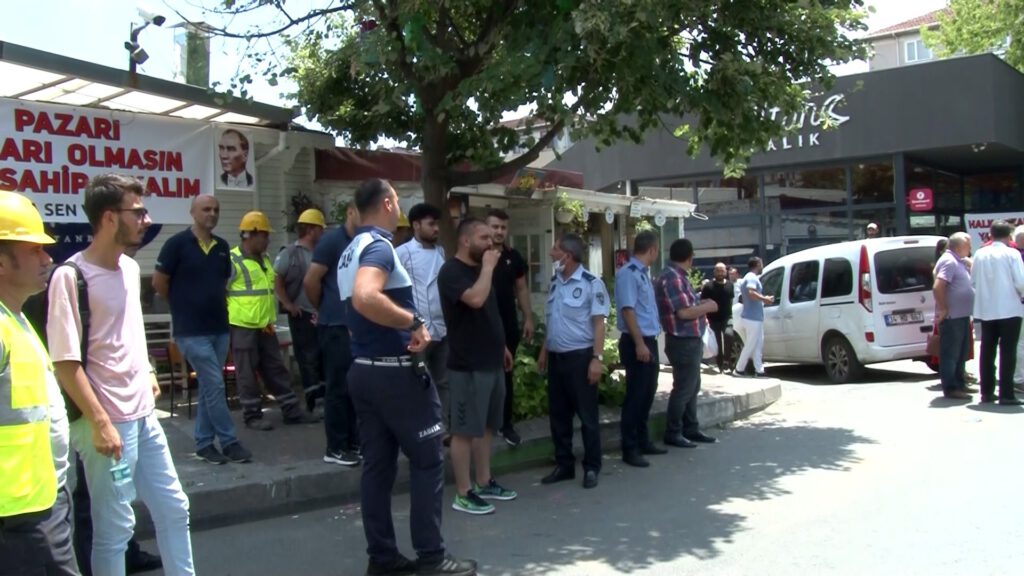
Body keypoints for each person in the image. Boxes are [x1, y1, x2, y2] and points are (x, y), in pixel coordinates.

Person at [48, 174, 194, 576]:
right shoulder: (70, 277)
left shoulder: (130, 268)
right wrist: (99, 423)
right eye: (138, 211)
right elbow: (64, 362)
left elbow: (128, 332)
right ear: (110, 218)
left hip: (144, 417)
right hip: (107, 424)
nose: (146, 219)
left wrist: (146, 366)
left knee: (174, 506)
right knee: (115, 529)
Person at [338, 178, 476, 576]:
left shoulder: (349, 251)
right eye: (397, 201)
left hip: (364, 370)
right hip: (396, 375)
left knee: (377, 469)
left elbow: (351, 313)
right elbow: (366, 298)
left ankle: (382, 559)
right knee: (429, 460)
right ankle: (432, 558)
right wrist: (413, 321)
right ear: (386, 203)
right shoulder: (379, 246)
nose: (399, 207)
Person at [0, 191, 79, 575]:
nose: (48, 258)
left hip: (37, 502)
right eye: (34, 249)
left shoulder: (15, 317)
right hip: (17, 517)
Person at [153, 195, 252, 465]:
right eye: (206, 209)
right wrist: (181, 306)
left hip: (219, 328)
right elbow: (160, 282)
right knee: (214, 384)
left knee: (211, 387)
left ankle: (204, 444)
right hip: (191, 330)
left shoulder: (221, 247)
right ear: (193, 212)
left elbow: (221, 283)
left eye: (216, 210)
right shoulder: (176, 244)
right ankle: (229, 441)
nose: (212, 213)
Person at [438, 218, 517, 515]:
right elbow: (474, 299)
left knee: (487, 426)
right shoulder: (452, 272)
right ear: (466, 241)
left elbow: (490, 310)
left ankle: (484, 481)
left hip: (491, 359)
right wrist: (487, 269)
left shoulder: (481, 270)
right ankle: (463, 491)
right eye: (484, 237)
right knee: (464, 430)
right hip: (467, 364)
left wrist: (502, 346)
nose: (491, 242)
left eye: (491, 237)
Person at [228, 211, 319, 430]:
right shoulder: (233, 260)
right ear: (251, 235)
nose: (268, 240)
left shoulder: (266, 259)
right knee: (247, 373)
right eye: (265, 236)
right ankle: (252, 415)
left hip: (265, 325)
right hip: (243, 327)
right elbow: (218, 294)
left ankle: (291, 411)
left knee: (276, 368)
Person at [538, 234, 609, 490]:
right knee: (559, 416)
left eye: (555, 250)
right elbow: (554, 319)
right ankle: (564, 465)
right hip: (557, 358)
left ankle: (591, 467)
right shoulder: (556, 281)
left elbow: (599, 324)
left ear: (567, 256)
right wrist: (545, 349)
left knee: (587, 417)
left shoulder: (592, 283)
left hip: (581, 358)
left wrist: (596, 359)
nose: (550, 253)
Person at [303, 203, 361, 467]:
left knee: (355, 387)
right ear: (351, 211)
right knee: (337, 387)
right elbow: (311, 281)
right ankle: (335, 447)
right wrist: (326, 309)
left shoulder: (364, 241)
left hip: (357, 326)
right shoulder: (332, 242)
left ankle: (353, 442)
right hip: (335, 326)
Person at [655, 238, 719, 449]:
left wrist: (702, 304)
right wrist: (708, 307)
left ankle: (690, 428)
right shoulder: (672, 278)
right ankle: (674, 432)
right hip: (682, 340)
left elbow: (689, 305)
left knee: (692, 385)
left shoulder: (678, 276)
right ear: (690, 257)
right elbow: (684, 312)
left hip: (689, 339)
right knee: (684, 387)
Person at [396, 203, 450, 435]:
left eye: (437, 223)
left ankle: (444, 427)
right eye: (431, 224)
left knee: (444, 382)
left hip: (443, 330)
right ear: (416, 225)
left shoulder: (441, 253)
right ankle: (417, 428)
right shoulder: (402, 253)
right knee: (417, 381)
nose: (436, 228)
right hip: (417, 332)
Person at [615, 231, 666, 468]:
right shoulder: (629, 273)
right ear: (652, 249)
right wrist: (639, 344)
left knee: (648, 392)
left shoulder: (644, 274)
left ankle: (643, 440)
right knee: (636, 395)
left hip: (648, 340)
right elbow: (628, 310)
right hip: (637, 340)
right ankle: (630, 447)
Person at [485, 209, 535, 447]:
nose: (499, 232)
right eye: (495, 227)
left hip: (507, 327)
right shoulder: (476, 255)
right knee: (482, 378)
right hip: (480, 328)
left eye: (503, 228)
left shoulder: (513, 257)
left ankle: (506, 425)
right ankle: (484, 427)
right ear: (486, 228)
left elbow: (522, 289)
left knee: (505, 377)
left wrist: (528, 317)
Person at [274, 208, 327, 412]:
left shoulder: (322, 251)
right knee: (308, 357)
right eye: (320, 228)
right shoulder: (289, 253)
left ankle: (324, 396)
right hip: (302, 314)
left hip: (322, 313)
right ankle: (314, 401)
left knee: (323, 356)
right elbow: (277, 281)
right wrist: (288, 304)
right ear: (311, 229)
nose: (322, 232)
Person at [971, 220, 1024, 405]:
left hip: (986, 309)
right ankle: (1006, 394)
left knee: (987, 350)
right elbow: (1021, 282)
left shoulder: (979, 254)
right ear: (1009, 236)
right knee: (1008, 352)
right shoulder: (1012, 253)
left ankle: (986, 391)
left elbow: (974, 281)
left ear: (990, 235)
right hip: (1009, 309)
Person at [933, 232, 975, 400]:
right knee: (951, 354)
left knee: (961, 353)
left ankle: (960, 384)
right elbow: (938, 286)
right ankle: (951, 388)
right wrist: (943, 308)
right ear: (958, 247)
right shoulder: (949, 261)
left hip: (962, 316)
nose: (970, 249)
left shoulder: (958, 261)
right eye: (968, 246)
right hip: (953, 317)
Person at [734, 257, 774, 378]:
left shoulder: (748, 277)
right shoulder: (751, 277)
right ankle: (739, 369)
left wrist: (762, 298)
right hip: (752, 318)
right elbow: (751, 293)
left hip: (754, 317)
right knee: (751, 344)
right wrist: (765, 299)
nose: (762, 266)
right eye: (761, 264)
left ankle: (759, 370)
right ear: (757, 264)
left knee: (757, 345)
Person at [701, 262, 735, 374]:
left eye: (722, 271)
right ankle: (721, 366)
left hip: (727, 317)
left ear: (726, 272)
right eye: (718, 271)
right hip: (713, 319)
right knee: (718, 344)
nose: (720, 273)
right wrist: (704, 317)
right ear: (714, 272)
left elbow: (731, 301)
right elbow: (702, 303)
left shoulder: (730, 285)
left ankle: (727, 359)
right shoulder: (708, 287)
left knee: (729, 334)